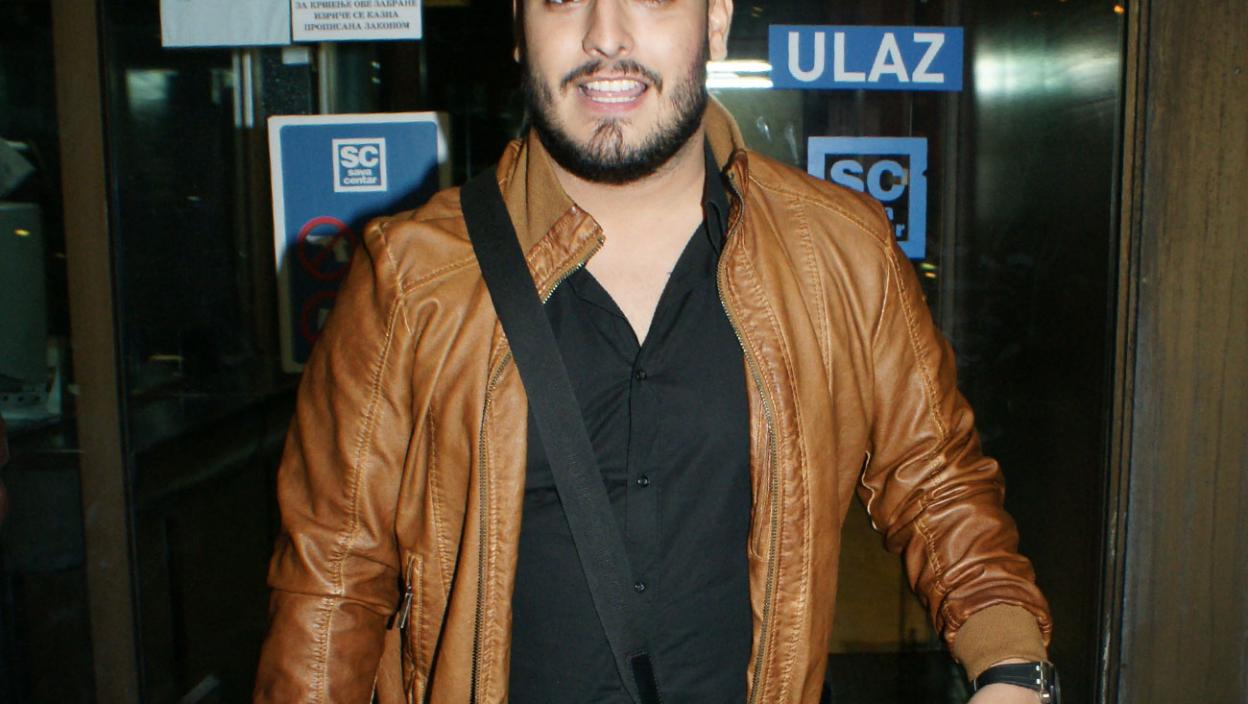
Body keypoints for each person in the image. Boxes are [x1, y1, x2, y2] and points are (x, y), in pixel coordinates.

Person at [254, 1, 1054, 702]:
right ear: (519, 27)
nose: (606, 36)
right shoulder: (412, 277)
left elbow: (936, 481)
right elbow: (332, 580)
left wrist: (1011, 662)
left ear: (716, 19)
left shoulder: (839, 250)